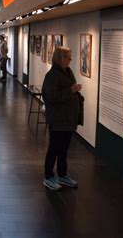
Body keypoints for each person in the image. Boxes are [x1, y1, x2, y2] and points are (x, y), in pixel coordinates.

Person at [42, 46, 82, 190]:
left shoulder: (67, 72)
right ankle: (48, 176)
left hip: (68, 119)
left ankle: (62, 174)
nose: (70, 59)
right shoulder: (52, 76)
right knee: (54, 148)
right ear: (60, 58)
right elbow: (50, 97)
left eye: (71, 57)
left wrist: (75, 92)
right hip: (58, 119)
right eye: (68, 57)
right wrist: (70, 90)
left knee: (64, 149)